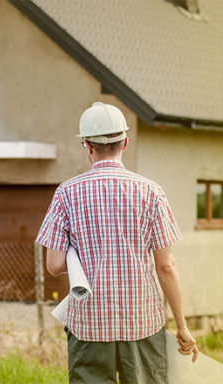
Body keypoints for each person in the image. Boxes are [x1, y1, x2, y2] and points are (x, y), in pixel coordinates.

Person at [36, 102, 198, 383]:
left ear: (87, 146)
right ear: (125, 142)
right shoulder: (151, 192)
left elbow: (54, 264)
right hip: (142, 322)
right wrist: (182, 327)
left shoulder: (66, 194)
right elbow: (167, 267)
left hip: (88, 325)